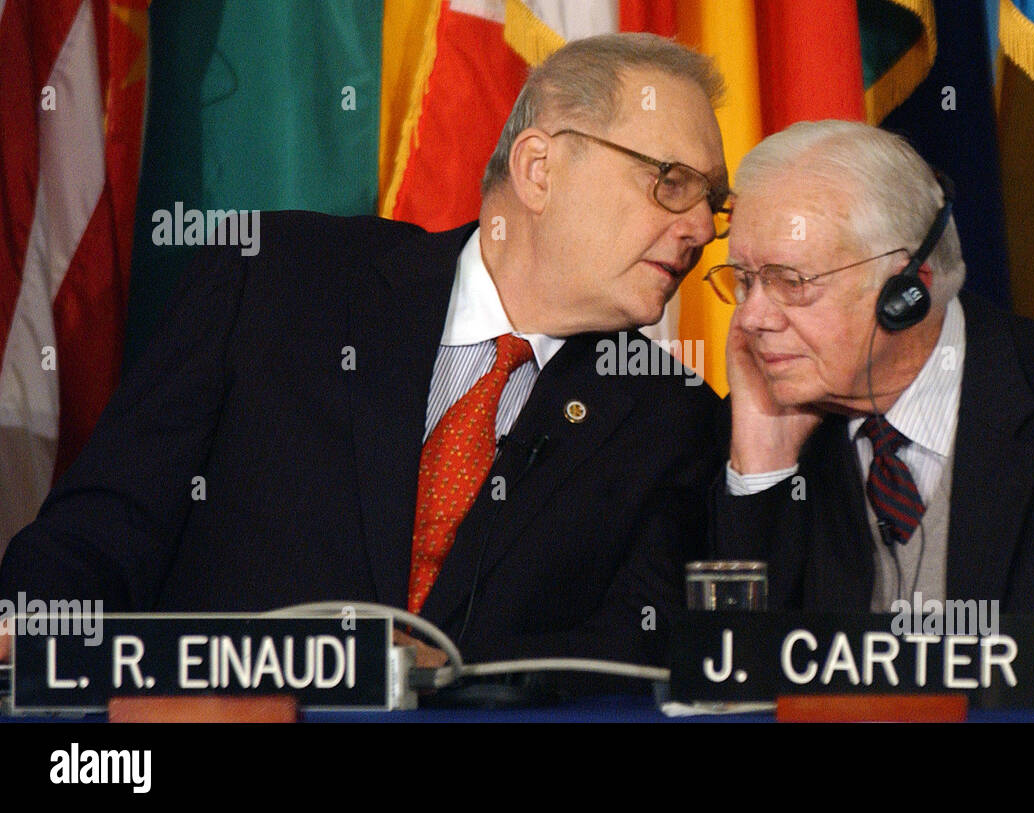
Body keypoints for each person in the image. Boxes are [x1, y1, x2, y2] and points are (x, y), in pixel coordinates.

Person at [0, 33, 729, 668]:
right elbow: (105, 528)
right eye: (671, 183)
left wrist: (439, 671)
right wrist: (28, 627)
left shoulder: (674, 420)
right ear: (540, 168)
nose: (699, 225)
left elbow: (631, 658)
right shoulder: (275, 279)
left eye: (713, 202)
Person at [708, 120, 1034, 664]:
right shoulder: (752, 426)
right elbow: (724, 679)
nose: (751, 317)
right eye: (745, 280)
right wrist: (764, 476)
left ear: (906, 292)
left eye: (791, 283)